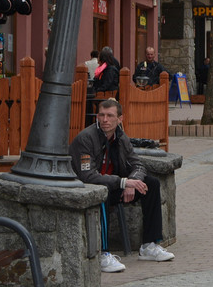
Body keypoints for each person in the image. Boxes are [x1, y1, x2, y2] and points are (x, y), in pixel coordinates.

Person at [69, 98, 175, 272]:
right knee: (101, 193)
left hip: (117, 184)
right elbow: (87, 175)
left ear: (120, 119)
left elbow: (138, 165)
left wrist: (131, 183)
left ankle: (149, 246)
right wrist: (123, 182)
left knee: (152, 184)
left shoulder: (121, 137)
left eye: (110, 116)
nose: (105, 120)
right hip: (90, 188)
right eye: (101, 115)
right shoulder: (86, 138)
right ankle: (103, 254)